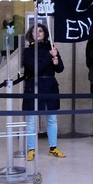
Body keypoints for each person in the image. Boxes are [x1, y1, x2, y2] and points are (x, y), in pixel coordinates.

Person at [22, 23, 65, 159]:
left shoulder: (51, 48)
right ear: (31, 35)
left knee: (52, 119)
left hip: (50, 86)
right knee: (31, 120)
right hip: (34, 86)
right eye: (36, 31)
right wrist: (49, 56)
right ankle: (31, 149)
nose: (38, 33)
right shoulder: (28, 51)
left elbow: (60, 69)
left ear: (45, 33)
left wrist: (57, 62)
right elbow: (35, 67)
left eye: (41, 31)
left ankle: (53, 148)